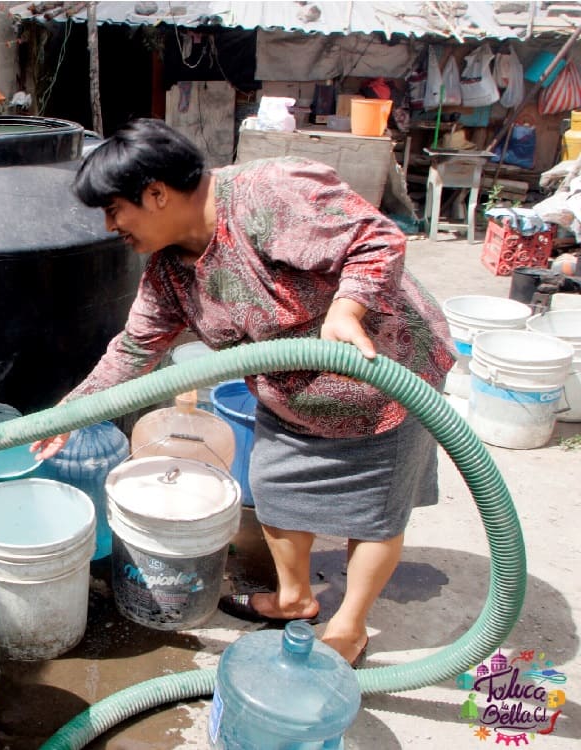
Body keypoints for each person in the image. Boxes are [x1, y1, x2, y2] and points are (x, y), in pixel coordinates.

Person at [31, 118, 454, 667]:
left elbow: (375, 238)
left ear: (156, 194)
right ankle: (295, 598)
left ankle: (350, 626)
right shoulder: (168, 272)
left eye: (115, 210)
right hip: (292, 394)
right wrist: (74, 409)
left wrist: (348, 309)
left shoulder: (267, 194)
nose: (111, 226)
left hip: (386, 377)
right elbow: (135, 349)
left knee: (374, 512)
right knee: (276, 489)